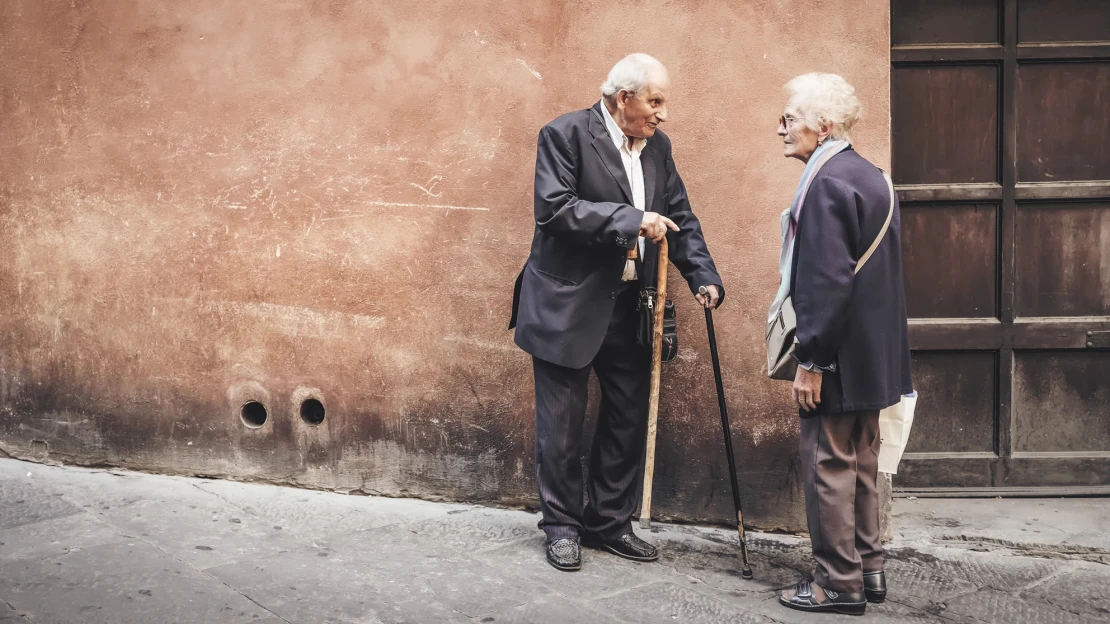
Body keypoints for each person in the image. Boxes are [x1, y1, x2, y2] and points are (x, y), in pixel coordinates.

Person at [509, 53, 725, 572]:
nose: (663, 113)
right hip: (567, 305)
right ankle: (562, 526)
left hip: (632, 306)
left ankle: (609, 522)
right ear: (622, 97)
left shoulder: (659, 148)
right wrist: (631, 219)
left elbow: (679, 216)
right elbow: (556, 209)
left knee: (627, 419)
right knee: (560, 426)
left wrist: (703, 275)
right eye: (655, 101)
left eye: (663, 102)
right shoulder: (564, 135)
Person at [770, 73, 913, 615]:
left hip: (837, 356)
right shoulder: (872, 175)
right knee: (862, 462)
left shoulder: (826, 181)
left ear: (822, 125)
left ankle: (837, 584)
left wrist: (812, 360)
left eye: (790, 118)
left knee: (828, 464)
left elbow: (827, 281)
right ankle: (869, 569)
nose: (780, 128)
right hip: (872, 355)